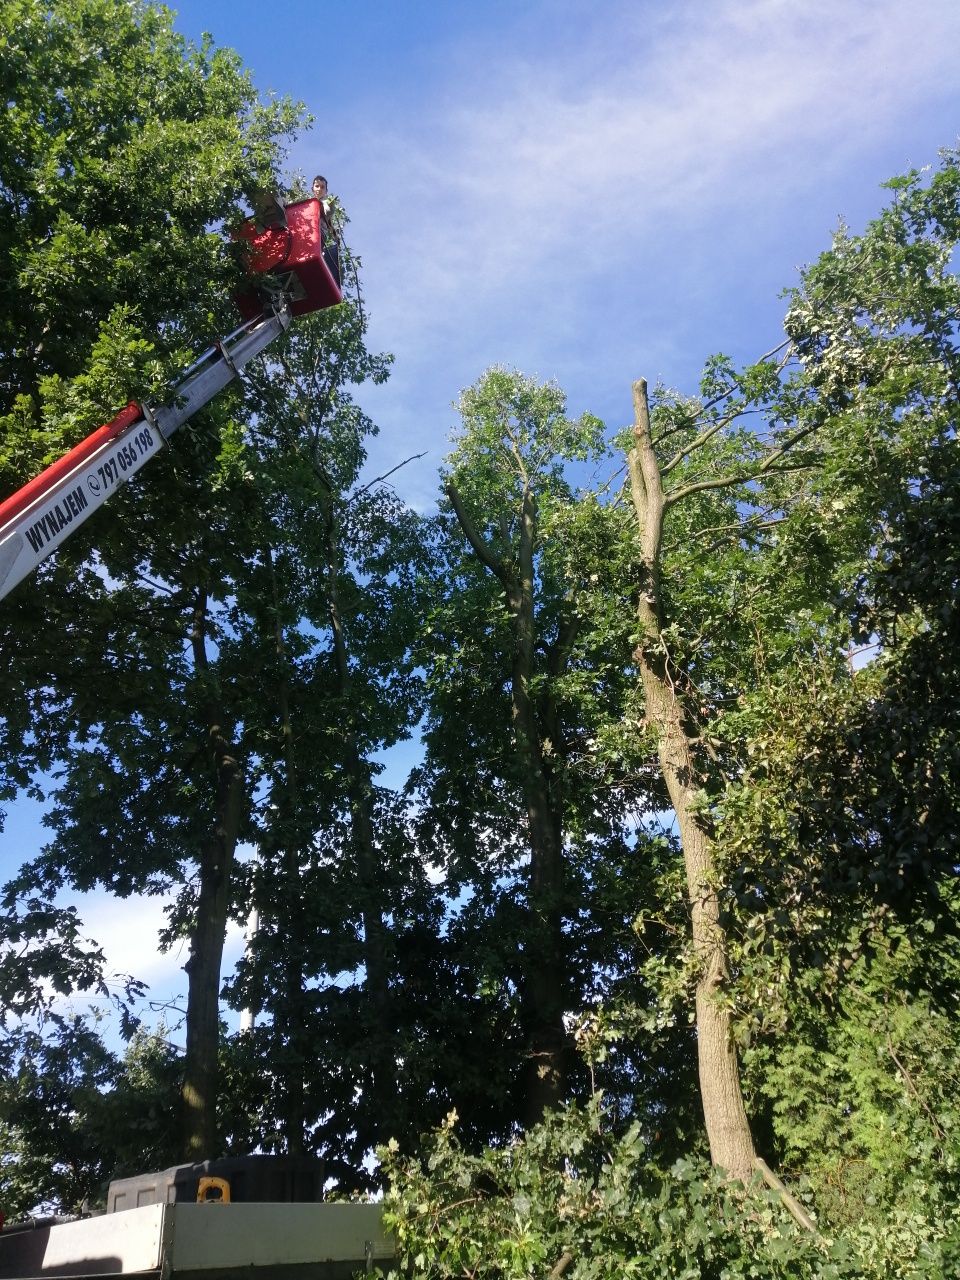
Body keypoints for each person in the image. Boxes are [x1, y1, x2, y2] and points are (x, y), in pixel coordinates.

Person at [312, 174, 341, 286]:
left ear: (326, 190)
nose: (319, 189)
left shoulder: (325, 202)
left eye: (322, 187)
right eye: (317, 186)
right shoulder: (310, 202)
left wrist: (336, 238)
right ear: (313, 188)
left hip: (319, 235)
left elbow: (329, 223)